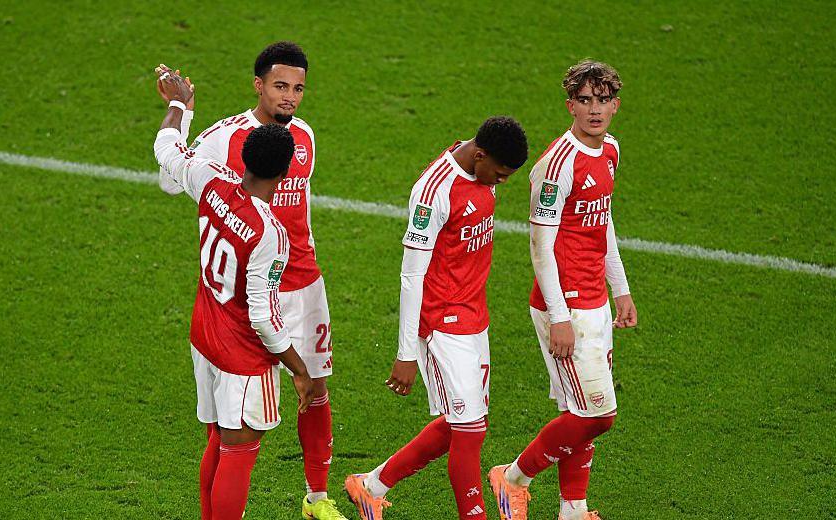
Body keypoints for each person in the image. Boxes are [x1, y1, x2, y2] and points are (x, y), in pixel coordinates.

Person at [158, 42, 346, 519]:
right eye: (280, 86)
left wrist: (179, 107)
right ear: (258, 85)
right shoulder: (225, 139)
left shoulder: (304, 135)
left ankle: (317, 499)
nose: (290, 98)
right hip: (247, 306)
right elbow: (169, 177)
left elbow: (176, 157)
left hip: (302, 284)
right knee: (232, 436)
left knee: (317, 391)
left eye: (298, 89)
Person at [344, 117, 529, 520]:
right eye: (499, 174)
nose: (501, 183)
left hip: (475, 317)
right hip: (442, 322)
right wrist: (406, 352)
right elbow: (411, 276)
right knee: (470, 430)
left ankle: (369, 487)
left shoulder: (478, 164)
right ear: (480, 156)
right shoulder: (433, 193)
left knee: (460, 423)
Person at [488, 60, 638, 520]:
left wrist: (621, 288)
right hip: (565, 305)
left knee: (580, 410)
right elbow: (541, 245)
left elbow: (602, 223)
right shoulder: (555, 166)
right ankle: (512, 477)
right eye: (585, 100)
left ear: (616, 105)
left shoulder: (609, 150)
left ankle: (573, 509)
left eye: (604, 99)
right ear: (570, 104)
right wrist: (558, 315)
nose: (595, 110)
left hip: (594, 299)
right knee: (598, 415)